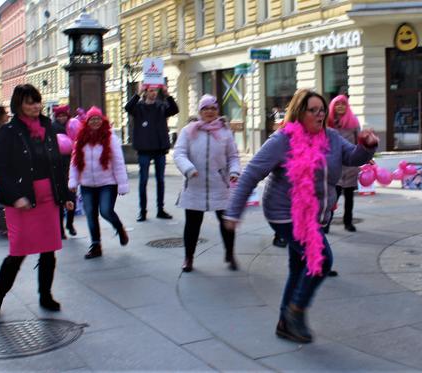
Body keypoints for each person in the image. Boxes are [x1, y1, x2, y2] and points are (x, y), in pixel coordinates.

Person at [224, 89, 378, 343]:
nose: (319, 115)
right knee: (321, 260)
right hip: (284, 212)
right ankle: (296, 311)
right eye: (313, 110)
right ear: (299, 113)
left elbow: (352, 157)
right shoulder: (282, 140)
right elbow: (251, 173)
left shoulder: (332, 137)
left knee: (299, 268)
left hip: (315, 213)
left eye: (322, 110)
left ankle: (286, 323)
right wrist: (233, 211)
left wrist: (367, 145)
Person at [0, 84, 73, 319]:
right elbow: (0, 167)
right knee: (18, 252)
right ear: (18, 105)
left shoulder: (48, 126)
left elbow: (57, 164)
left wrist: (64, 196)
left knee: (48, 251)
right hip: (23, 200)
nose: (35, 106)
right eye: (29, 102)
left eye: (37, 101)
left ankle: (45, 295)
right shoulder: (9, 131)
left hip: (48, 199)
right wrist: (15, 196)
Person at [173, 95, 241, 272]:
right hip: (195, 185)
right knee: (192, 224)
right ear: (200, 111)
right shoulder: (188, 131)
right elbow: (179, 154)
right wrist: (189, 169)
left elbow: (233, 156)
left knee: (227, 222)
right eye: (205, 108)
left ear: (217, 111)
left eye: (212, 108)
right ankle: (189, 258)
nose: (209, 112)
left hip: (220, 185)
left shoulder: (225, 132)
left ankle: (230, 253)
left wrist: (234, 172)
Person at [69, 107, 129, 259]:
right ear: (87, 122)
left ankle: (119, 228)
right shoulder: (80, 139)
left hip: (107, 183)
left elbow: (118, 162)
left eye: (97, 119)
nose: (95, 122)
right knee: (91, 214)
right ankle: (96, 245)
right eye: (91, 119)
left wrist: (122, 183)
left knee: (106, 211)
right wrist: (73, 181)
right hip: (87, 184)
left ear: (102, 121)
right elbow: (74, 162)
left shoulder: (110, 138)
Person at [124, 84, 179, 222]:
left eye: (155, 90)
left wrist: (167, 94)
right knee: (143, 181)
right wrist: (138, 93)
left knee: (160, 180)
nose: (153, 93)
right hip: (144, 150)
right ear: (145, 92)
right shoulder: (139, 107)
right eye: (150, 91)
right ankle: (142, 211)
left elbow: (175, 109)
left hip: (160, 149)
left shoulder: (161, 106)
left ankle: (160, 209)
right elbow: (127, 107)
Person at [325, 95, 360, 233]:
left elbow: (360, 142)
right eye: (337, 104)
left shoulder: (353, 123)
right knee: (333, 197)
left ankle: (348, 222)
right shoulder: (328, 123)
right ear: (333, 106)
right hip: (335, 165)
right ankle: (326, 223)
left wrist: (365, 156)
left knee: (349, 197)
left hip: (350, 165)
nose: (340, 106)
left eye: (343, 104)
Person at [51, 104, 77, 238]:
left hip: (71, 167)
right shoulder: (52, 128)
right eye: (59, 116)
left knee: (72, 198)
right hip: (58, 167)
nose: (61, 118)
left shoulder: (72, 126)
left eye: (63, 116)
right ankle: (60, 229)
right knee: (60, 201)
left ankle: (70, 224)